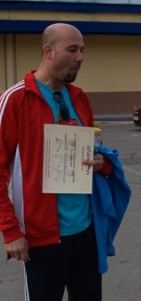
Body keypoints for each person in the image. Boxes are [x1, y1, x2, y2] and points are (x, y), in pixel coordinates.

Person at [0, 23, 131, 300]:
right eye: (72, 49)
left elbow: (97, 152)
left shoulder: (80, 99)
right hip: (41, 235)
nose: (80, 57)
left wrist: (102, 164)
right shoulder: (16, 99)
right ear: (48, 51)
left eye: (82, 50)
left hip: (85, 229)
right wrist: (11, 230)